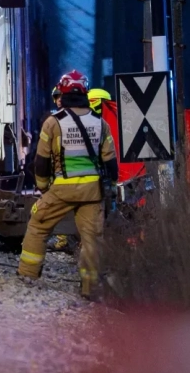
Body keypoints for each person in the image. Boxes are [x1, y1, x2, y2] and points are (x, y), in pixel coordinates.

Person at [18, 70, 118, 298]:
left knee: (38, 226)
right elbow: (110, 163)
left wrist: (44, 188)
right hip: (92, 192)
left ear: (62, 93)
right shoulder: (100, 124)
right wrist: (110, 186)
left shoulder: (53, 123)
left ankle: (28, 276)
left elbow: (40, 162)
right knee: (92, 239)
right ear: (85, 92)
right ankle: (90, 287)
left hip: (61, 190)